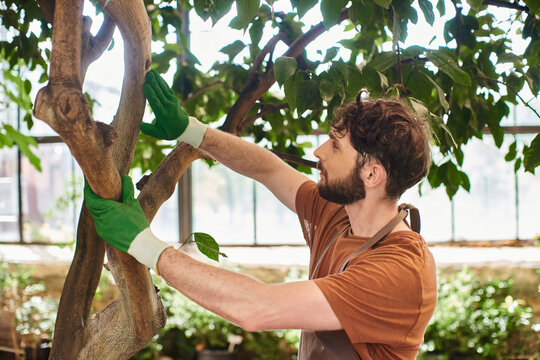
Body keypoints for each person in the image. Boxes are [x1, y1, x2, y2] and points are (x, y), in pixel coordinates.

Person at [84, 69, 437, 359]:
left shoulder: (398, 272)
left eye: (335, 145)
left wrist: (144, 244)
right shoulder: (342, 214)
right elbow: (269, 170)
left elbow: (258, 308)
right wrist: (192, 131)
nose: (318, 150)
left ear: (372, 175)